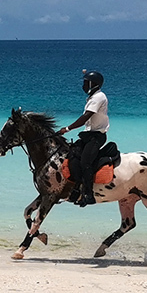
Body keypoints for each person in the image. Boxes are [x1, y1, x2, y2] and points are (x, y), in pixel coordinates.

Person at [57, 70, 108, 206]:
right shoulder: (92, 98)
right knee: (72, 156)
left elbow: (86, 117)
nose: (84, 86)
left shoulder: (99, 97)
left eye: (86, 83)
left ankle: (89, 194)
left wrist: (67, 129)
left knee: (85, 162)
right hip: (88, 135)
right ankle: (75, 189)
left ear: (93, 84)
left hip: (97, 136)